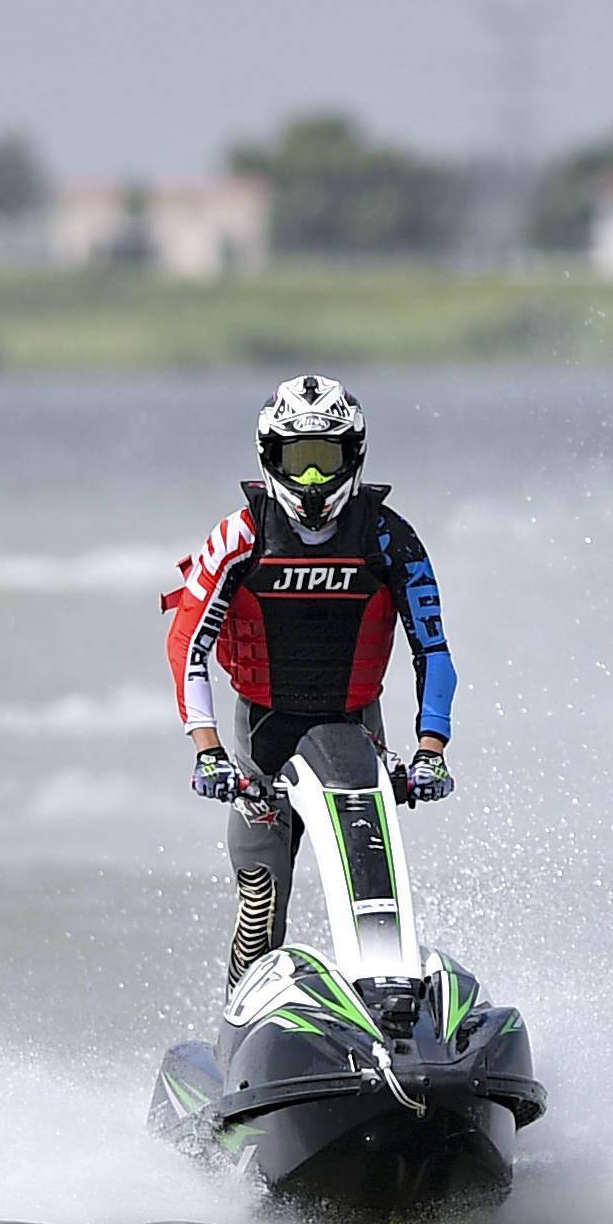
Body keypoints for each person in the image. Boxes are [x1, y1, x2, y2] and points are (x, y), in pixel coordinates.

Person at [161, 375, 457, 986]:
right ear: (271, 458)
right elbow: (187, 645)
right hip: (262, 733)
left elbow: (433, 649)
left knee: (372, 879)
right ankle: (245, 1024)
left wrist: (430, 752)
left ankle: (392, 1003)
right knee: (261, 899)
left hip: (357, 729)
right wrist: (210, 752)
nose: (315, 481)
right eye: (301, 461)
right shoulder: (238, 538)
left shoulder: (389, 538)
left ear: (355, 456)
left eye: (328, 460)